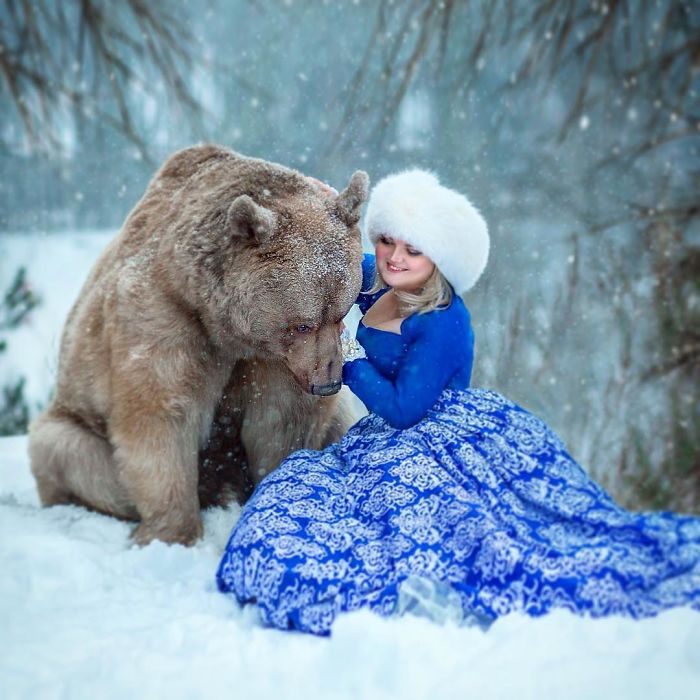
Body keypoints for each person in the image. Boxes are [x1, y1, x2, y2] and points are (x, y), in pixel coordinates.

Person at [216, 169, 700, 635]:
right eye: (387, 241)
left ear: (440, 258)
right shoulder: (377, 281)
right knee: (299, 491)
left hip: (434, 432)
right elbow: (328, 275)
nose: (395, 257)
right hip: (383, 436)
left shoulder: (443, 322)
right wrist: (318, 204)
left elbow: (407, 407)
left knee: (432, 523)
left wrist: (349, 366)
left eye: (413, 249)